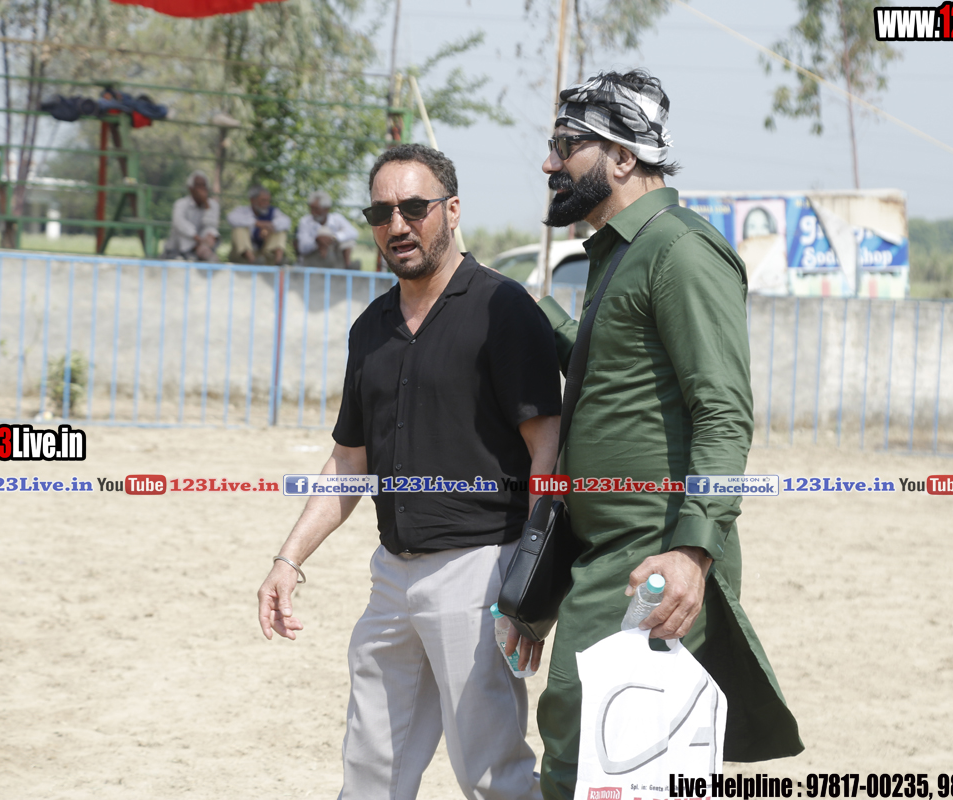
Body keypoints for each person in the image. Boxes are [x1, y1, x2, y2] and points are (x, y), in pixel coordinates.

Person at [518, 70, 804, 800]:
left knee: (593, 747)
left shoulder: (681, 250)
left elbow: (723, 412)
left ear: (622, 157)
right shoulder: (623, 251)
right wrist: (532, 315)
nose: (550, 163)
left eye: (566, 146)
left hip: (652, 553)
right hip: (603, 550)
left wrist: (691, 551)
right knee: (604, 757)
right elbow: (614, 371)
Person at [257, 143, 560, 800]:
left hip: (479, 570)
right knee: (370, 769)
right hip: (392, 573)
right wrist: (288, 559)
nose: (397, 225)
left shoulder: (503, 309)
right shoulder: (371, 328)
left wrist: (532, 582)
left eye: (414, 208)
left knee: (491, 773)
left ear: (452, 210)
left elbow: (548, 446)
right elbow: (350, 460)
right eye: (381, 212)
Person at [164, 170, 220, 262]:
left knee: (212, 232)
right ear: (191, 189)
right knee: (182, 231)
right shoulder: (180, 204)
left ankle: (204, 252)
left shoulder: (213, 205)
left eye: (204, 185)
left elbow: (211, 225)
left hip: (203, 244)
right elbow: (180, 223)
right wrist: (198, 239)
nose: (202, 189)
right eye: (198, 185)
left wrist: (206, 205)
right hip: (181, 246)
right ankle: (198, 252)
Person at [227, 185, 290, 265]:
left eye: (268, 200)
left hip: (265, 254)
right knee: (239, 229)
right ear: (252, 200)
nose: (266, 203)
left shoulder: (273, 211)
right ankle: (252, 260)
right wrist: (256, 223)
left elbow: (286, 221)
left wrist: (269, 226)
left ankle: (279, 262)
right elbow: (231, 218)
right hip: (244, 257)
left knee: (280, 231)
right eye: (263, 200)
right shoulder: (242, 211)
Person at [294, 190, 359, 269]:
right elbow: (302, 248)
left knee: (348, 240)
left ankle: (348, 267)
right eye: (311, 209)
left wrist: (332, 238)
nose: (313, 212)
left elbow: (353, 233)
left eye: (316, 209)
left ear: (326, 209)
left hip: (334, 259)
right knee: (323, 231)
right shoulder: (305, 221)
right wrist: (317, 241)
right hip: (312, 260)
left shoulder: (337, 219)